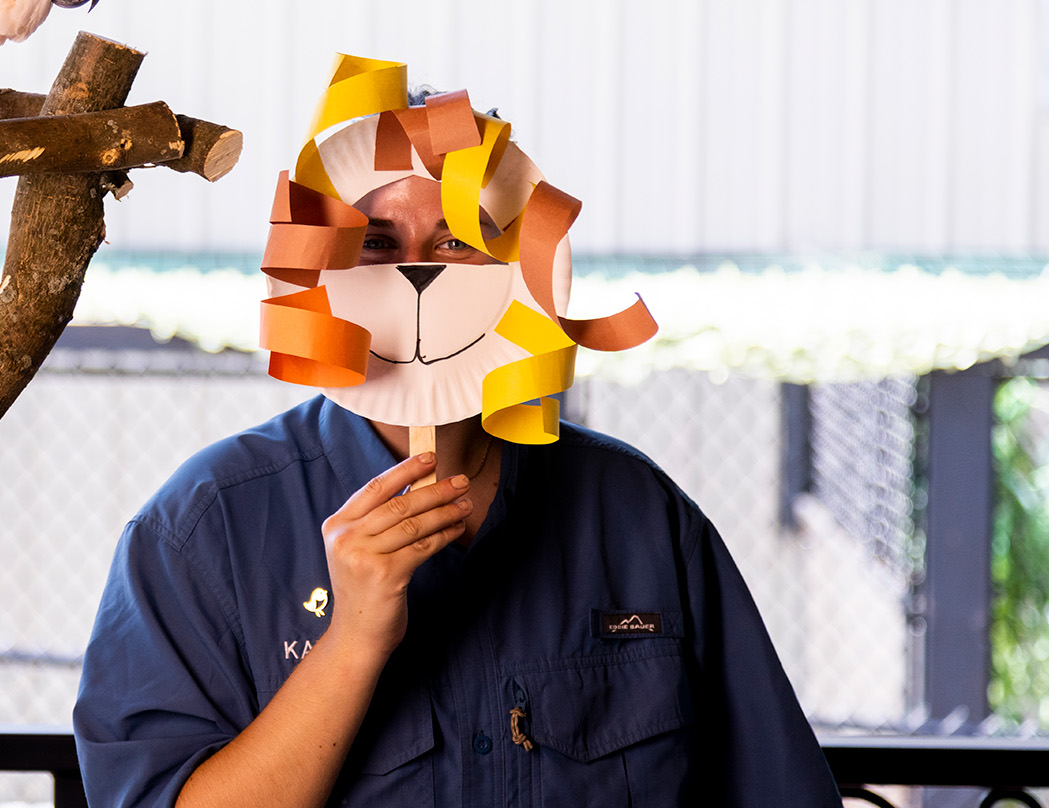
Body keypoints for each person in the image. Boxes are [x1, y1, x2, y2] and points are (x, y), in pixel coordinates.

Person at [72, 62, 842, 807]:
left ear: (521, 268)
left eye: (456, 241)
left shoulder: (638, 514)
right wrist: (353, 640)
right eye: (375, 243)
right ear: (317, 270)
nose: (418, 275)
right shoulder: (204, 530)